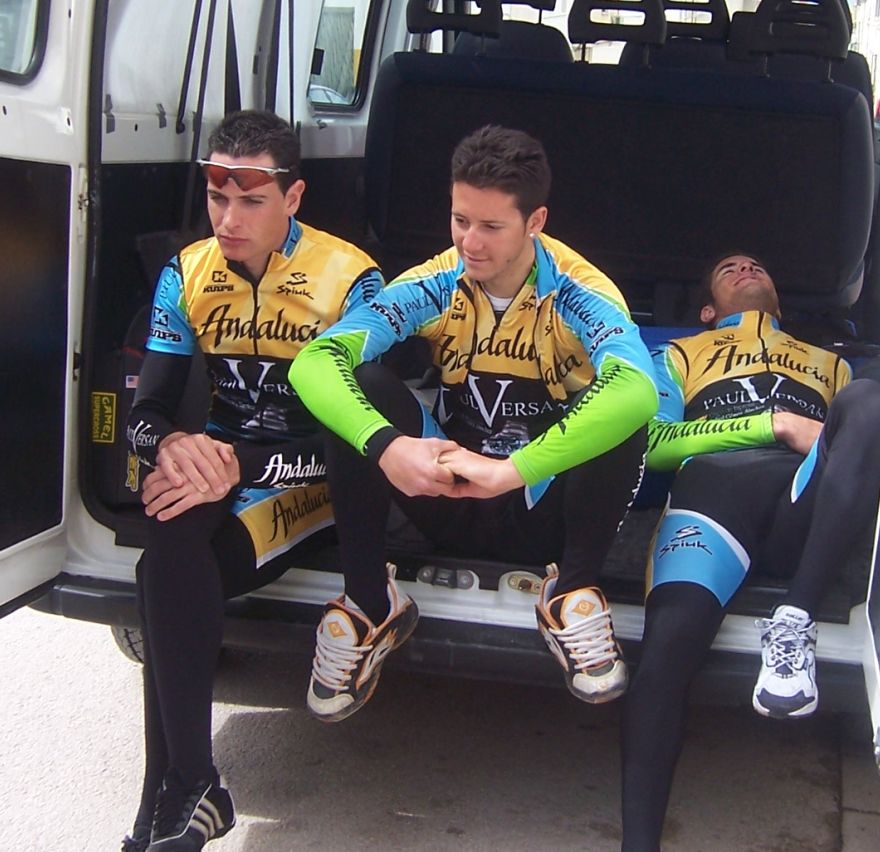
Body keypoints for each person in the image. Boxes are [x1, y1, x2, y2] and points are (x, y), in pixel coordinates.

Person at [288, 124, 658, 719]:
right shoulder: (438, 279)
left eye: (491, 226)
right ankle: (368, 602)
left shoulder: (581, 290)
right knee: (362, 383)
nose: (470, 242)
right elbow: (315, 361)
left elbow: (639, 390)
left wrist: (513, 470)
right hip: (446, 488)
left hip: (539, 504)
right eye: (460, 220)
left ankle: (572, 591)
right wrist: (386, 448)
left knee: (619, 406)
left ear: (535, 222)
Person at [122, 110, 384, 851]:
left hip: (316, 477)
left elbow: (358, 439)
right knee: (170, 531)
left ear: (293, 197)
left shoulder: (352, 278)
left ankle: (169, 797)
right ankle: (191, 786)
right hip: (224, 467)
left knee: (163, 568)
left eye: (251, 201)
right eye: (217, 198)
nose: (229, 220)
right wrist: (172, 447)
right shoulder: (186, 272)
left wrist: (242, 465)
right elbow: (145, 411)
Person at [620, 253, 880, 851]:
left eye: (756, 265)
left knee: (872, 399)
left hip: (805, 502)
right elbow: (654, 443)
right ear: (706, 310)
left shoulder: (833, 364)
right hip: (712, 497)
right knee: (664, 657)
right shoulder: (678, 353)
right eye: (728, 267)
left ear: (779, 298)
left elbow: (861, 453)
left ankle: (795, 620)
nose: (745, 267)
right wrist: (776, 424)